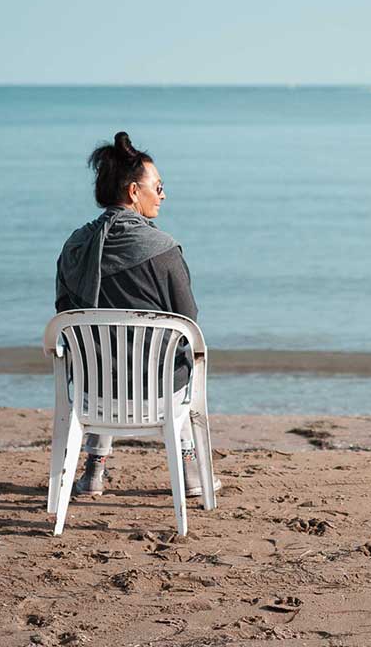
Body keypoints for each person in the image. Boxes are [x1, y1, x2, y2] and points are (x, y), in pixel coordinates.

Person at [55, 131, 219, 498]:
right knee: (173, 359)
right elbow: (188, 320)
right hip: (156, 393)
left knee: (104, 356)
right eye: (158, 187)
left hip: (91, 392)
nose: (163, 194)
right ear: (133, 192)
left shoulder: (74, 246)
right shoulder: (163, 250)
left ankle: (94, 471)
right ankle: (190, 473)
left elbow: (64, 312)